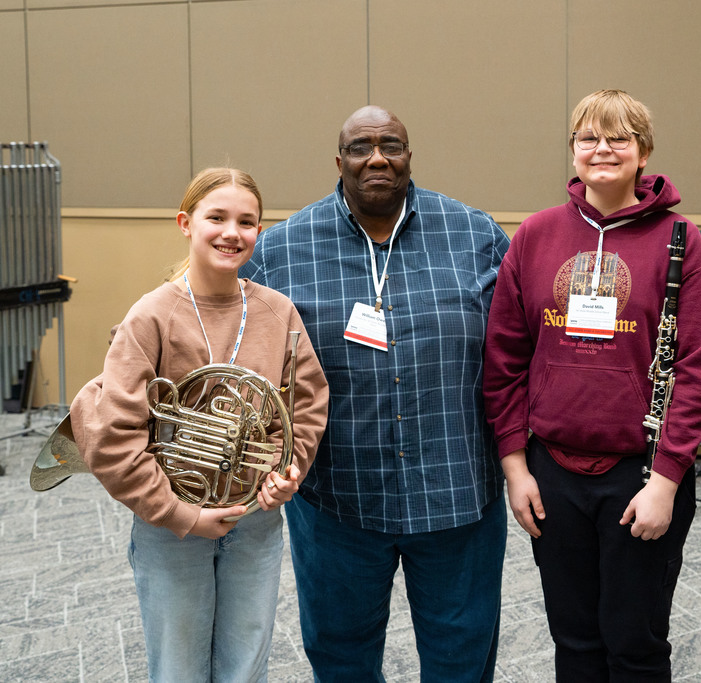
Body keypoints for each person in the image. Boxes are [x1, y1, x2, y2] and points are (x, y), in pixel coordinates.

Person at [239, 105, 510, 682]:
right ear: (339, 162)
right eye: (362, 147)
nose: (378, 157)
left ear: (410, 157)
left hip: (458, 495)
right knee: (341, 662)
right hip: (339, 501)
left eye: (392, 144)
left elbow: (520, 354)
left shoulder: (475, 234)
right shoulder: (281, 249)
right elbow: (239, 346)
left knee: (462, 661)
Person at [483, 89, 701, 681]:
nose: (602, 149)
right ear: (572, 151)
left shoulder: (680, 239)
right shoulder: (536, 235)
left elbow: (697, 369)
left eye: (619, 137)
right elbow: (505, 361)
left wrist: (669, 480)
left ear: (643, 152)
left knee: (636, 643)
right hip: (552, 473)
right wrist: (516, 470)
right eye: (588, 137)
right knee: (574, 641)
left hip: (640, 473)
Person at [70, 167, 330, 681]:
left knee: (245, 668)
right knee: (179, 669)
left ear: (260, 231)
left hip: (254, 520)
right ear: (186, 223)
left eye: (247, 222)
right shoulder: (152, 316)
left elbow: (304, 406)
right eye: (217, 217)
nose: (232, 232)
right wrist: (178, 513)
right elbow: (113, 435)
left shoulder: (277, 312)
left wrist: (285, 471)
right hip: (172, 524)